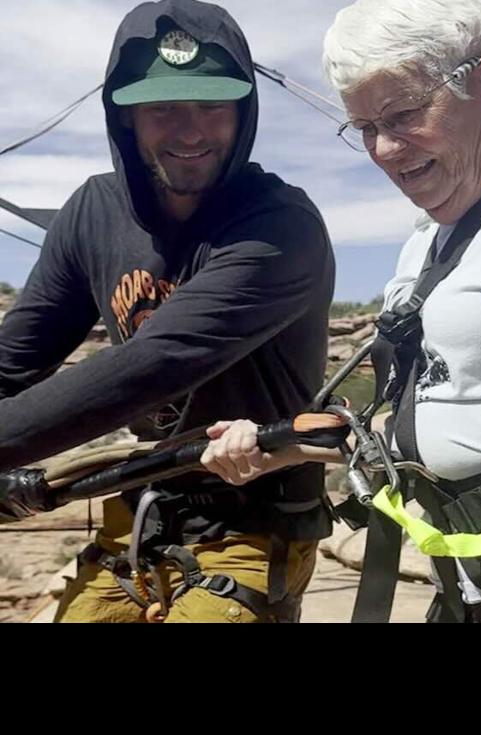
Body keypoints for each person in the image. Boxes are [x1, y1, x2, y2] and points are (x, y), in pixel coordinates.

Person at [203, 0, 481, 623]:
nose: (385, 150)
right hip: (471, 592)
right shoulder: (430, 237)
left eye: (404, 114)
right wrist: (274, 447)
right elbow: (423, 418)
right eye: (364, 126)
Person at [0, 0, 335, 623]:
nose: (190, 132)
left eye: (212, 105)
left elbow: (153, 364)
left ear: (244, 109)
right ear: (124, 116)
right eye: (162, 108)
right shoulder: (92, 213)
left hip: (254, 525)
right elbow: (16, 357)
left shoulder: (279, 226)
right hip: (138, 515)